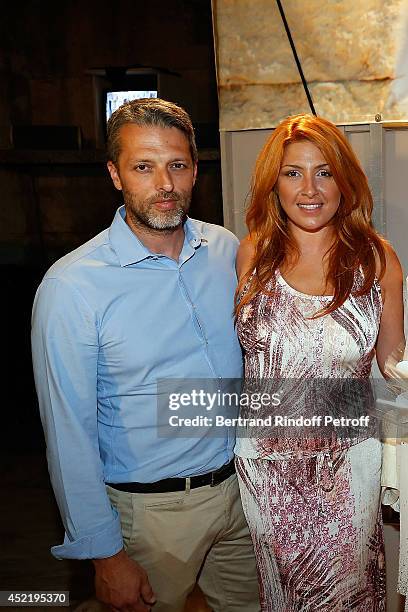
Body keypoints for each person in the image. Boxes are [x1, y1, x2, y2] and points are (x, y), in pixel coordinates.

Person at [31, 98, 260, 612]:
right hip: (151, 516)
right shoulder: (72, 287)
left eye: (177, 165)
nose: (165, 183)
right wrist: (104, 553)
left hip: (243, 497)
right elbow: (68, 432)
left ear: (195, 170)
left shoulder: (226, 250)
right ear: (114, 174)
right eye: (143, 166)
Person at [233, 114, 404, 611]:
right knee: (281, 594)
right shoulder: (252, 254)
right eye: (292, 173)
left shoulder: (376, 258)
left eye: (324, 172)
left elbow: (395, 367)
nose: (309, 188)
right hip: (264, 467)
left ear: (344, 182)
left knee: (346, 595)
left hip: (346, 467)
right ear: (274, 184)